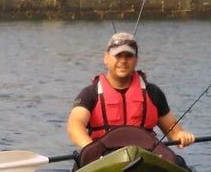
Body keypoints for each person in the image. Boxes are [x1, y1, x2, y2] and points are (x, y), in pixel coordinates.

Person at [67, 32, 195, 151]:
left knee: (176, 162)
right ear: (106, 58)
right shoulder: (90, 94)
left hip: (144, 155)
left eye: (128, 56)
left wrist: (181, 135)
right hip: (102, 155)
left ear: (136, 60)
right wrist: (90, 148)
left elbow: (173, 130)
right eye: (118, 55)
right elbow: (75, 125)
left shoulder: (153, 92)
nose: (123, 61)